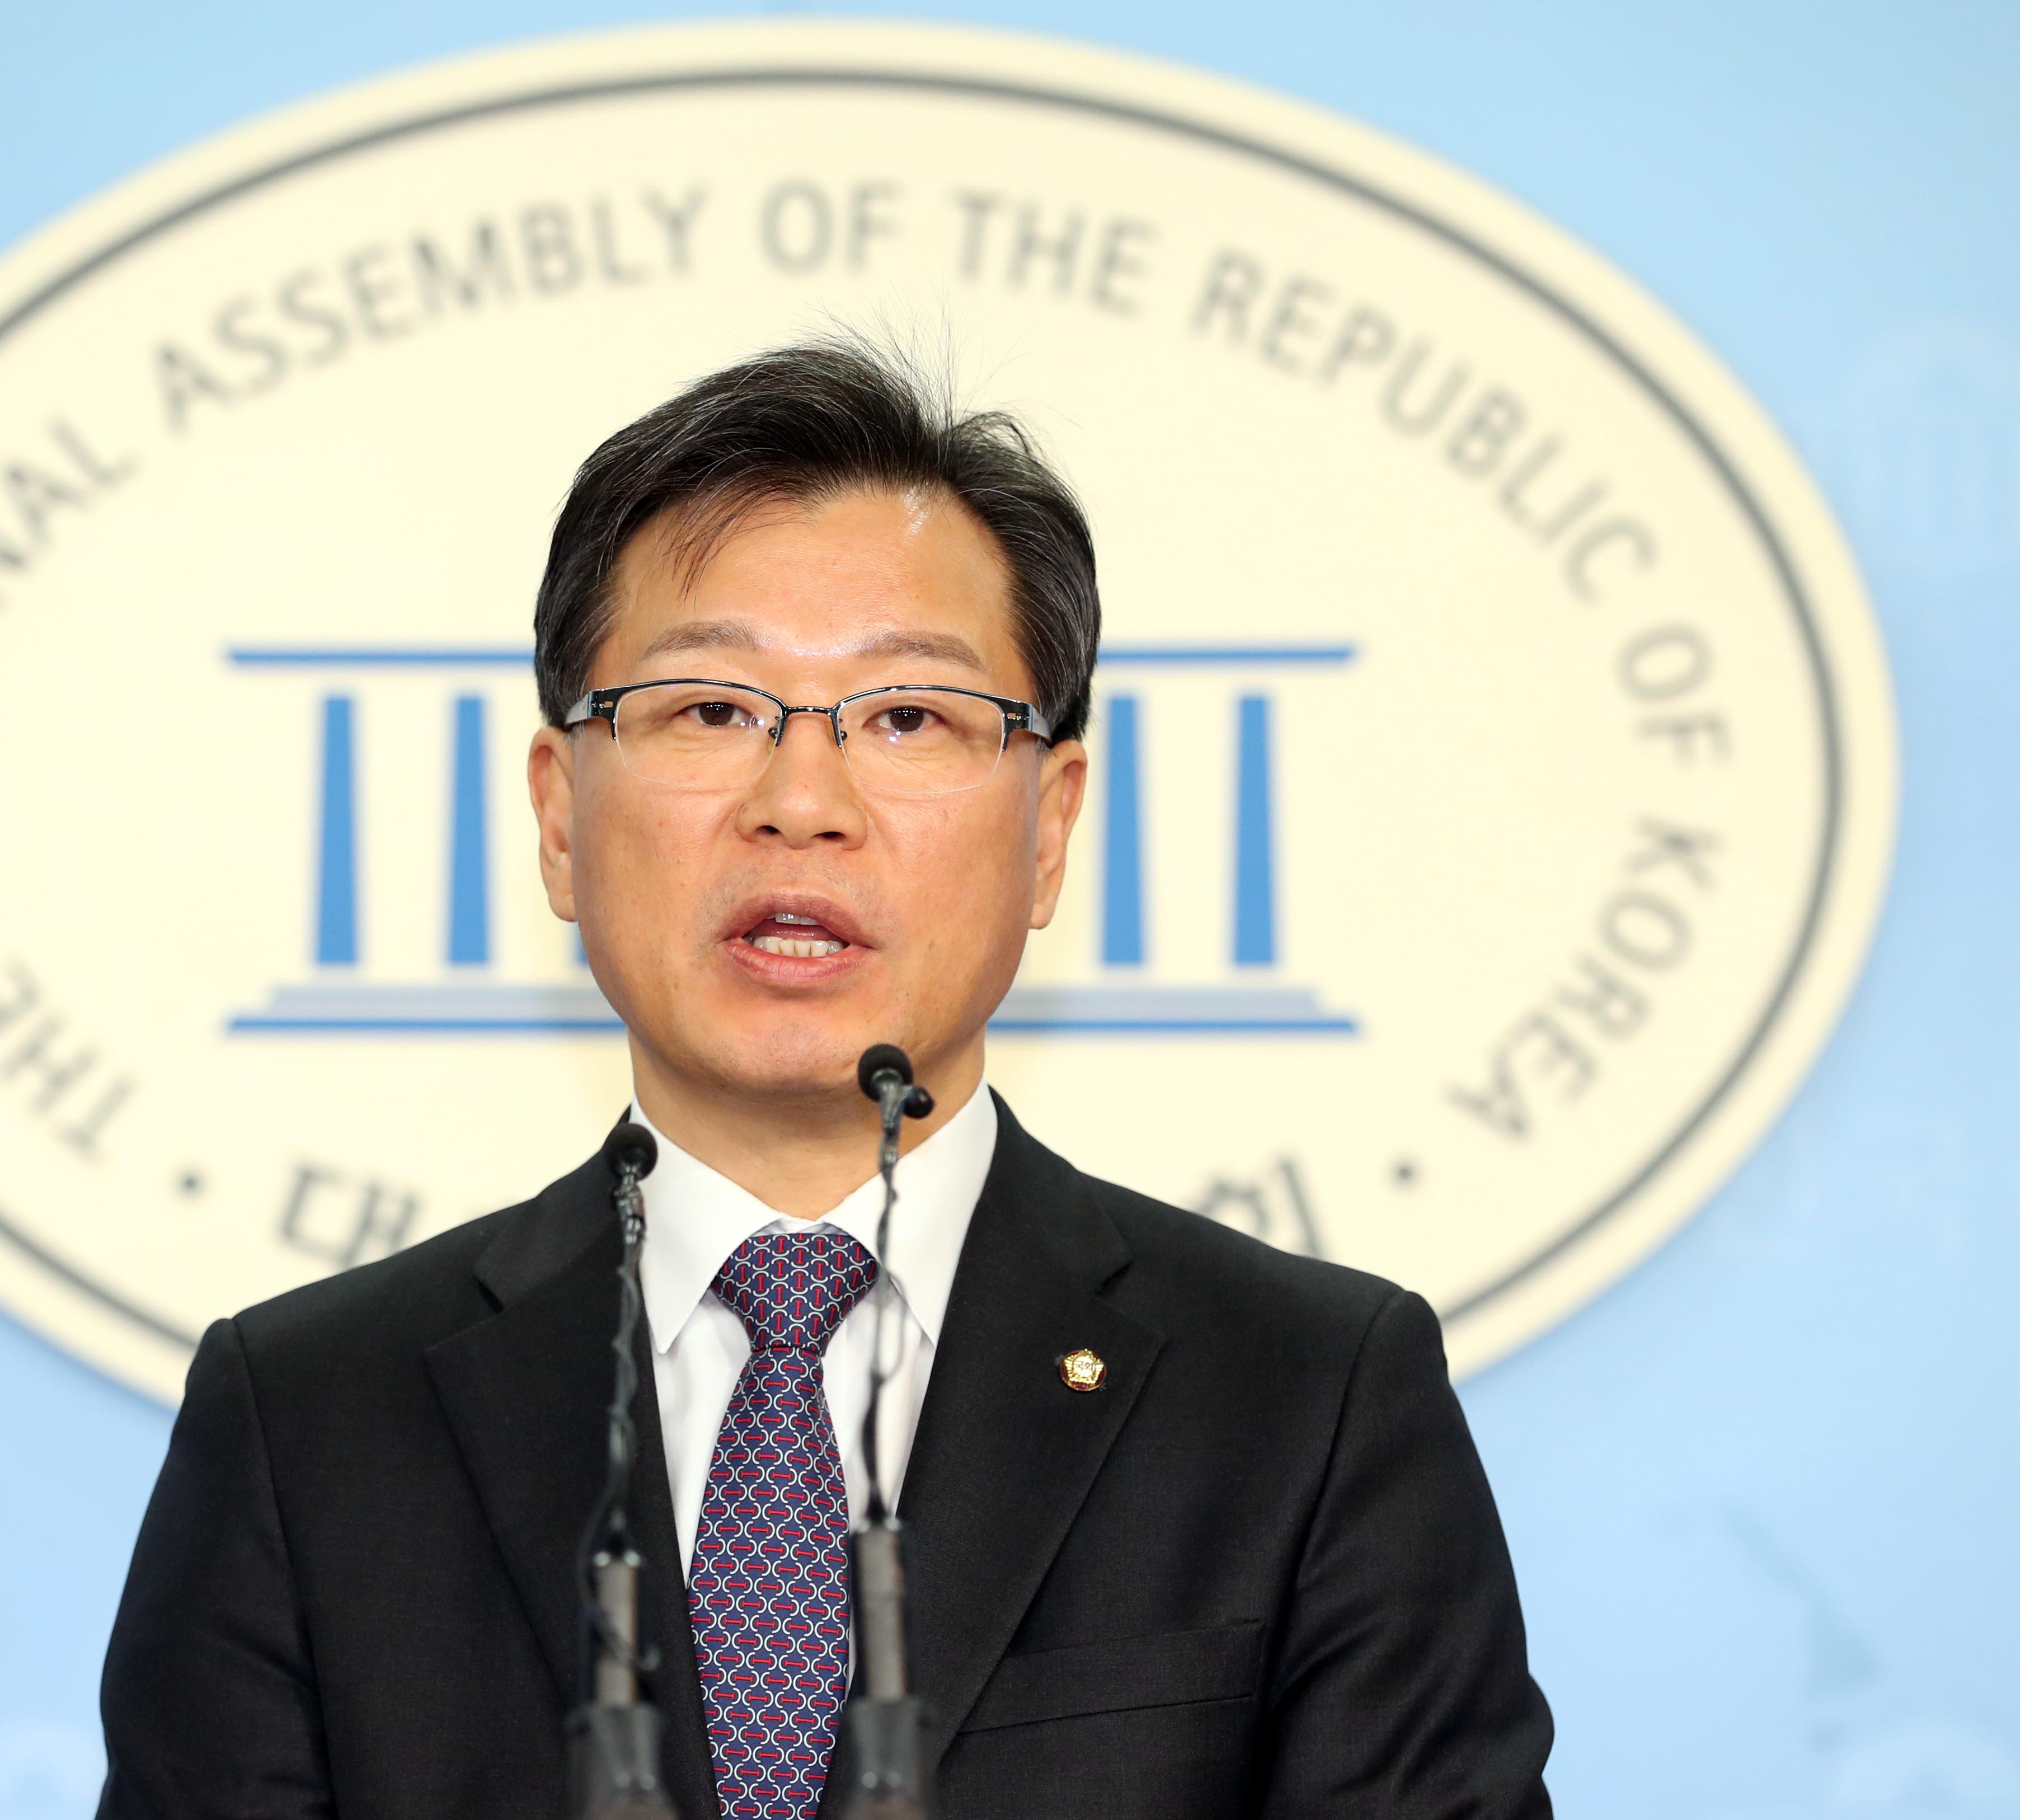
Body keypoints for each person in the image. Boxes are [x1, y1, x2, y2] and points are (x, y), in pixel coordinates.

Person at [95, 340, 1553, 1819]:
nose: (801, 803)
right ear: (559, 816)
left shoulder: (1304, 1401)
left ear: (1050, 827)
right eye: (709, 709)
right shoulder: (308, 1422)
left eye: (908, 716)